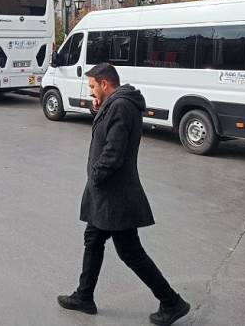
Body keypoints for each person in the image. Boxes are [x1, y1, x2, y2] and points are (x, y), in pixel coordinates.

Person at [57, 63, 190, 326]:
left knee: (129, 251)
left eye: (94, 87)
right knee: (93, 239)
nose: (92, 92)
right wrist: (100, 108)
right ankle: (84, 296)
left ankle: (172, 301)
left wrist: (96, 176)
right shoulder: (115, 104)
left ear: (105, 84)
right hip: (106, 193)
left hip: (115, 194)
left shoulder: (121, 106)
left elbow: (113, 152)